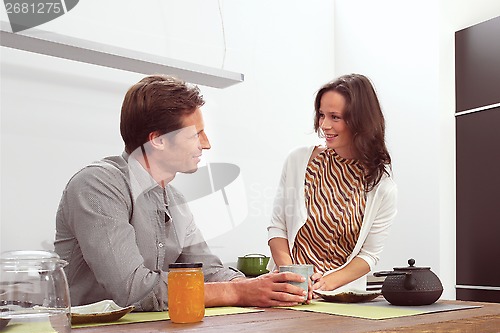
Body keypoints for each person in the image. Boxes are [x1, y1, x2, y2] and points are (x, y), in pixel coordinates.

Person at [55, 75, 308, 311]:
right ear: (158, 140)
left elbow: (209, 271)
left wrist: (275, 285)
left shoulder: (174, 199)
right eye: (195, 134)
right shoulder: (97, 185)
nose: (206, 143)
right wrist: (237, 291)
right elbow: (133, 290)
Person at [268, 73, 397, 292]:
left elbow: (369, 255)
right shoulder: (298, 161)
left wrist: (326, 283)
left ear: (360, 121)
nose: (324, 125)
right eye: (321, 115)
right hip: (287, 291)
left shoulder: (383, 187)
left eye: (335, 117)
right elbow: (277, 228)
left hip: (341, 298)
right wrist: (294, 277)